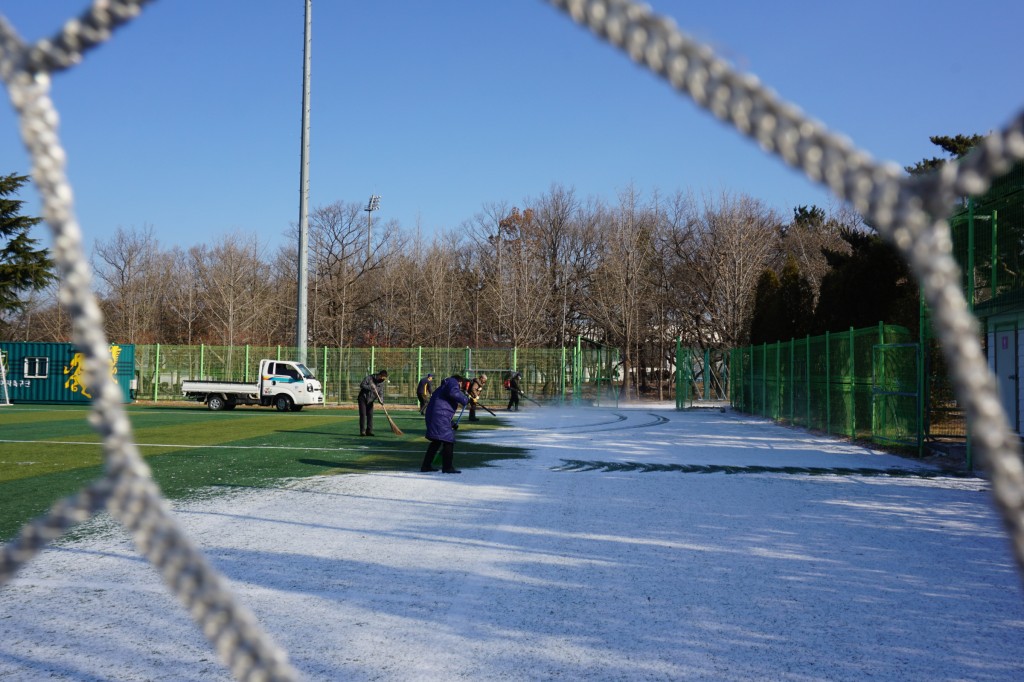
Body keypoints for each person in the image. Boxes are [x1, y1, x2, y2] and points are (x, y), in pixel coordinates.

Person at [420, 374, 470, 473]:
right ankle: (447, 467)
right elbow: (454, 393)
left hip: (436, 416)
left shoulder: (445, 386)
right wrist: (465, 399)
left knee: (436, 441)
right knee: (448, 441)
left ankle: (426, 466)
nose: (461, 388)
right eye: (462, 385)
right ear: (459, 381)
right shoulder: (452, 382)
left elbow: (441, 406)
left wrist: (451, 423)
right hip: (439, 416)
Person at [357, 369, 388, 436]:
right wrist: (370, 387)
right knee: (363, 414)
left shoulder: (381, 383)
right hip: (363, 398)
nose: (383, 379)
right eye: (382, 378)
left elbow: (381, 393)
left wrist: (381, 400)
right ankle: (362, 431)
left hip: (370, 401)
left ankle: (369, 431)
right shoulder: (369, 378)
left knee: (370, 415)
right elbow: (362, 385)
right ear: (379, 375)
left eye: (384, 379)